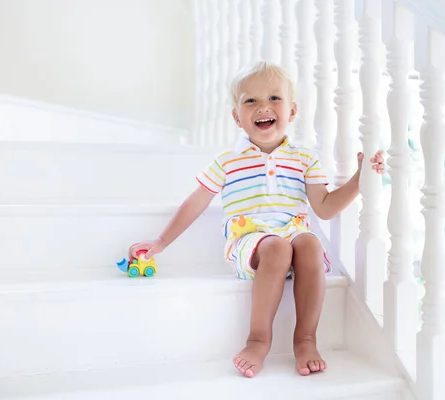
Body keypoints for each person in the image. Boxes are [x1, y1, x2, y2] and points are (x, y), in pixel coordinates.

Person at [129, 61, 385, 378]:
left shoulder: (305, 158)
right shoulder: (228, 162)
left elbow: (326, 208)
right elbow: (195, 203)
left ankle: (305, 339)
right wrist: (160, 242)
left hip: (293, 236)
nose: (263, 106)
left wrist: (360, 179)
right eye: (251, 100)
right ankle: (258, 339)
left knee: (309, 242)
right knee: (276, 248)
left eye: (274, 98)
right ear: (238, 117)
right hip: (250, 243)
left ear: (291, 111)